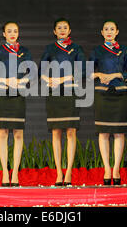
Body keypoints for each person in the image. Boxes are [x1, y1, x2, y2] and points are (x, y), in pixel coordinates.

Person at [39, 18, 87, 186]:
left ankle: (69, 173)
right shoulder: (50, 48)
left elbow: (83, 71)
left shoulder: (76, 48)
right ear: (54, 31)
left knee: (71, 132)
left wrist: (65, 78)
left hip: (70, 92)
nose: (62, 30)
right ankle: (59, 172)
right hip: (54, 94)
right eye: (59, 27)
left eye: (65, 27)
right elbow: (41, 70)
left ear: (70, 30)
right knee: (56, 132)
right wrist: (48, 79)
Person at [89, 20, 127, 185]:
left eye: (112, 29)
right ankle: (107, 168)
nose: (109, 32)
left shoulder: (123, 50)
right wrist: (98, 74)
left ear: (117, 32)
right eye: (106, 29)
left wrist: (115, 75)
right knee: (103, 133)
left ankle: (116, 168)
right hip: (103, 94)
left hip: (120, 94)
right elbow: (87, 70)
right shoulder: (97, 50)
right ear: (102, 32)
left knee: (119, 133)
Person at [0, 21, 32, 187]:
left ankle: (15, 173)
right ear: (4, 34)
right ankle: (5, 173)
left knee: (18, 134)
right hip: (2, 96)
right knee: (2, 134)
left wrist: (20, 81)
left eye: (15, 31)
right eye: (9, 31)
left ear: (18, 33)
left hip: (18, 96)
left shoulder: (24, 52)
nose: (12, 34)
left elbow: (32, 73)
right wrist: (6, 80)